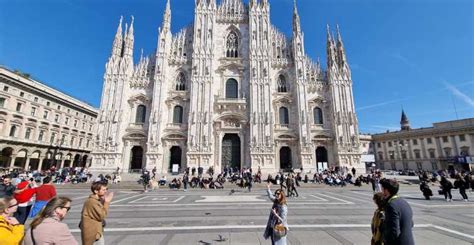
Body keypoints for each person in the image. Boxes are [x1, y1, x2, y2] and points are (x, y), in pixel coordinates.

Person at [380, 178, 414, 245]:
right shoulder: (404, 202)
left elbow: (394, 232)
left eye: (382, 189)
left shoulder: (391, 205)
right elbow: (411, 223)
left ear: (386, 191)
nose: (381, 191)